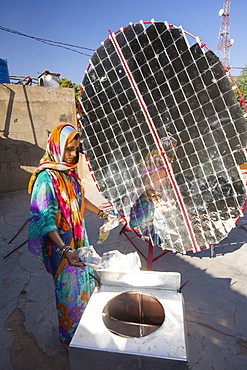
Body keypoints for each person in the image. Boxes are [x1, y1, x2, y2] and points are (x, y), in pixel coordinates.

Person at [28, 123, 117, 347]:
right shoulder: (46, 178)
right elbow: (46, 222)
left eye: (76, 149)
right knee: (68, 294)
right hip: (62, 246)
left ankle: (84, 333)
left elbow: (79, 199)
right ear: (57, 146)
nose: (72, 154)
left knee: (83, 286)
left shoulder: (69, 173)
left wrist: (102, 214)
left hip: (78, 240)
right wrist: (65, 250)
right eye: (68, 148)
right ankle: (70, 340)